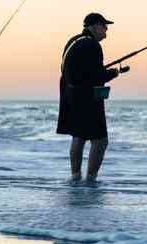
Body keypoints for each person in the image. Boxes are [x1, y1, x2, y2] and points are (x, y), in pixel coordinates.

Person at [56, 12, 130, 183]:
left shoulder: (73, 41)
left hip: (71, 96)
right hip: (88, 98)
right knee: (101, 140)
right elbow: (97, 76)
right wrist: (115, 72)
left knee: (79, 136)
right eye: (104, 27)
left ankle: (75, 176)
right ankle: (91, 180)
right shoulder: (92, 45)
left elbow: (80, 70)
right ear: (95, 26)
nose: (106, 30)